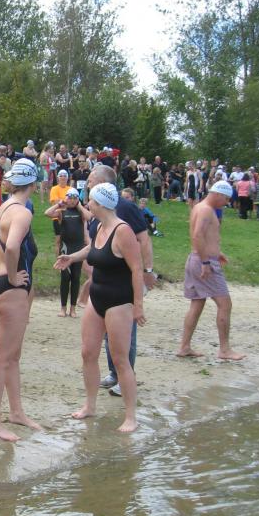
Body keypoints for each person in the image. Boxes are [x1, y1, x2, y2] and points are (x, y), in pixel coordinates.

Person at [55, 183, 145, 432]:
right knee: (88, 353)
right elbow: (92, 248)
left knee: (120, 360)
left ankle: (131, 417)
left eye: (91, 201)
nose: (87, 204)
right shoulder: (97, 225)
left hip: (119, 301)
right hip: (97, 297)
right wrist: (72, 257)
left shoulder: (123, 231)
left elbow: (137, 269)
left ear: (102, 204)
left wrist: (138, 306)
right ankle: (90, 405)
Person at [0, 159, 42, 441]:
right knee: (3, 358)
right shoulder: (22, 213)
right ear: (34, 183)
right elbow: (13, 246)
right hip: (11, 290)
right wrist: (13, 276)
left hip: (1, 285)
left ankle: (16, 412)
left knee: (13, 356)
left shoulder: (4, 207)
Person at [84, 166, 155, 396]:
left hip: (123, 284)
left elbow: (143, 239)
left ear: (102, 182)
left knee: (124, 333)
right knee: (105, 334)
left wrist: (147, 270)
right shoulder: (98, 215)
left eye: (91, 180)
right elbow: (95, 244)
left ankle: (125, 375)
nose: (87, 184)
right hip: (103, 281)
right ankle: (114, 373)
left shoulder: (125, 208)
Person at [177, 181, 245, 361]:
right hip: (203, 262)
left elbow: (203, 236)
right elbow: (197, 234)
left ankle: (184, 347)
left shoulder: (199, 207)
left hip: (196, 258)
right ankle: (225, 350)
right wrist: (206, 261)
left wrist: (216, 252)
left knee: (197, 304)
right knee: (225, 304)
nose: (227, 203)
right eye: (226, 199)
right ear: (218, 194)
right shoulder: (206, 210)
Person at [45, 188, 89, 317]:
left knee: (76, 277)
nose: (72, 200)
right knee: (65, 278)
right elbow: (47, 213)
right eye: (70, 198)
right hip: (65, 248)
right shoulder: (62, 212)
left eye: (75, 198)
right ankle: (63, 308)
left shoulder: (81, 212)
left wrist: (79, 205)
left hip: (78, 249)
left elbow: (89, 217)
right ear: (66, 198)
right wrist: (59, 204)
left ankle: (73, 308)